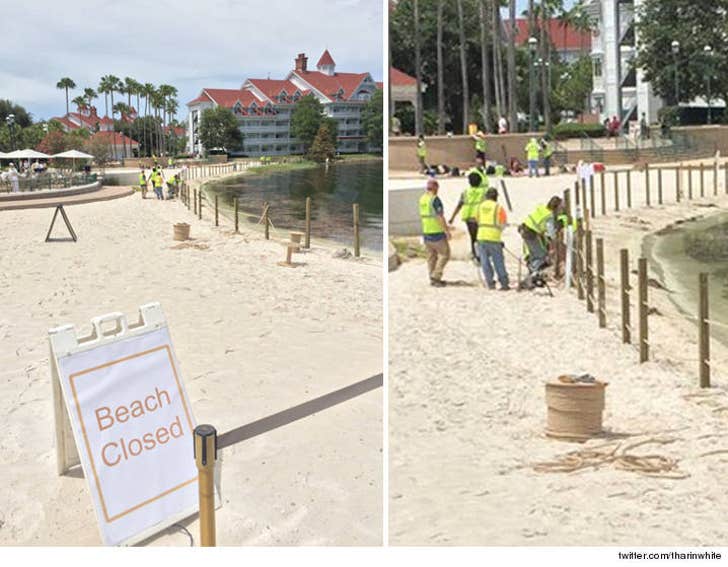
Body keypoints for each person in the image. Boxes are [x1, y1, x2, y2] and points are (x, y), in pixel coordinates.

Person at [448, 171, 487, 264]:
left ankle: (474, 253)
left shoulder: (465, 192)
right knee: (480, 236)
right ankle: (480, 255)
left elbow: (459, 205)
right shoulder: (484, 192)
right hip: (479, 216)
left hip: (468, 217)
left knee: (473, 237)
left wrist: (452, 217)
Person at [519, 195, 563, 275]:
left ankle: (533, 271)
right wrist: (555, 238)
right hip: (530, 233)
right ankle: (533, 271)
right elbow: (551, 233)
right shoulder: (549, 216)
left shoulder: (542, 208)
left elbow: (539, 223)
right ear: (556, 207)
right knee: (542, 255)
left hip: (524, 228)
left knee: (534, 254)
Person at [419, 178, 451, 287]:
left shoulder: (422, 199)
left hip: (426, 231)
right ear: (436, 187)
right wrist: (446, 231)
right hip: (436, 231)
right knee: (445, 254)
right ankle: (436, 276)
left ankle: (432, 278)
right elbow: (439, 216)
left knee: (431, 256)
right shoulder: (435, 199)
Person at [476, 188, 509, 290]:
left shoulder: (480, 207)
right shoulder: (499, 208)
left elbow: (477, 220)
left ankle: (490, 283)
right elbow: (503, 223)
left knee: (485, 262)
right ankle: (503, 283)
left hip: (481, 236)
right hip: (494, 237)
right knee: (498, 261)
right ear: (496, 197)